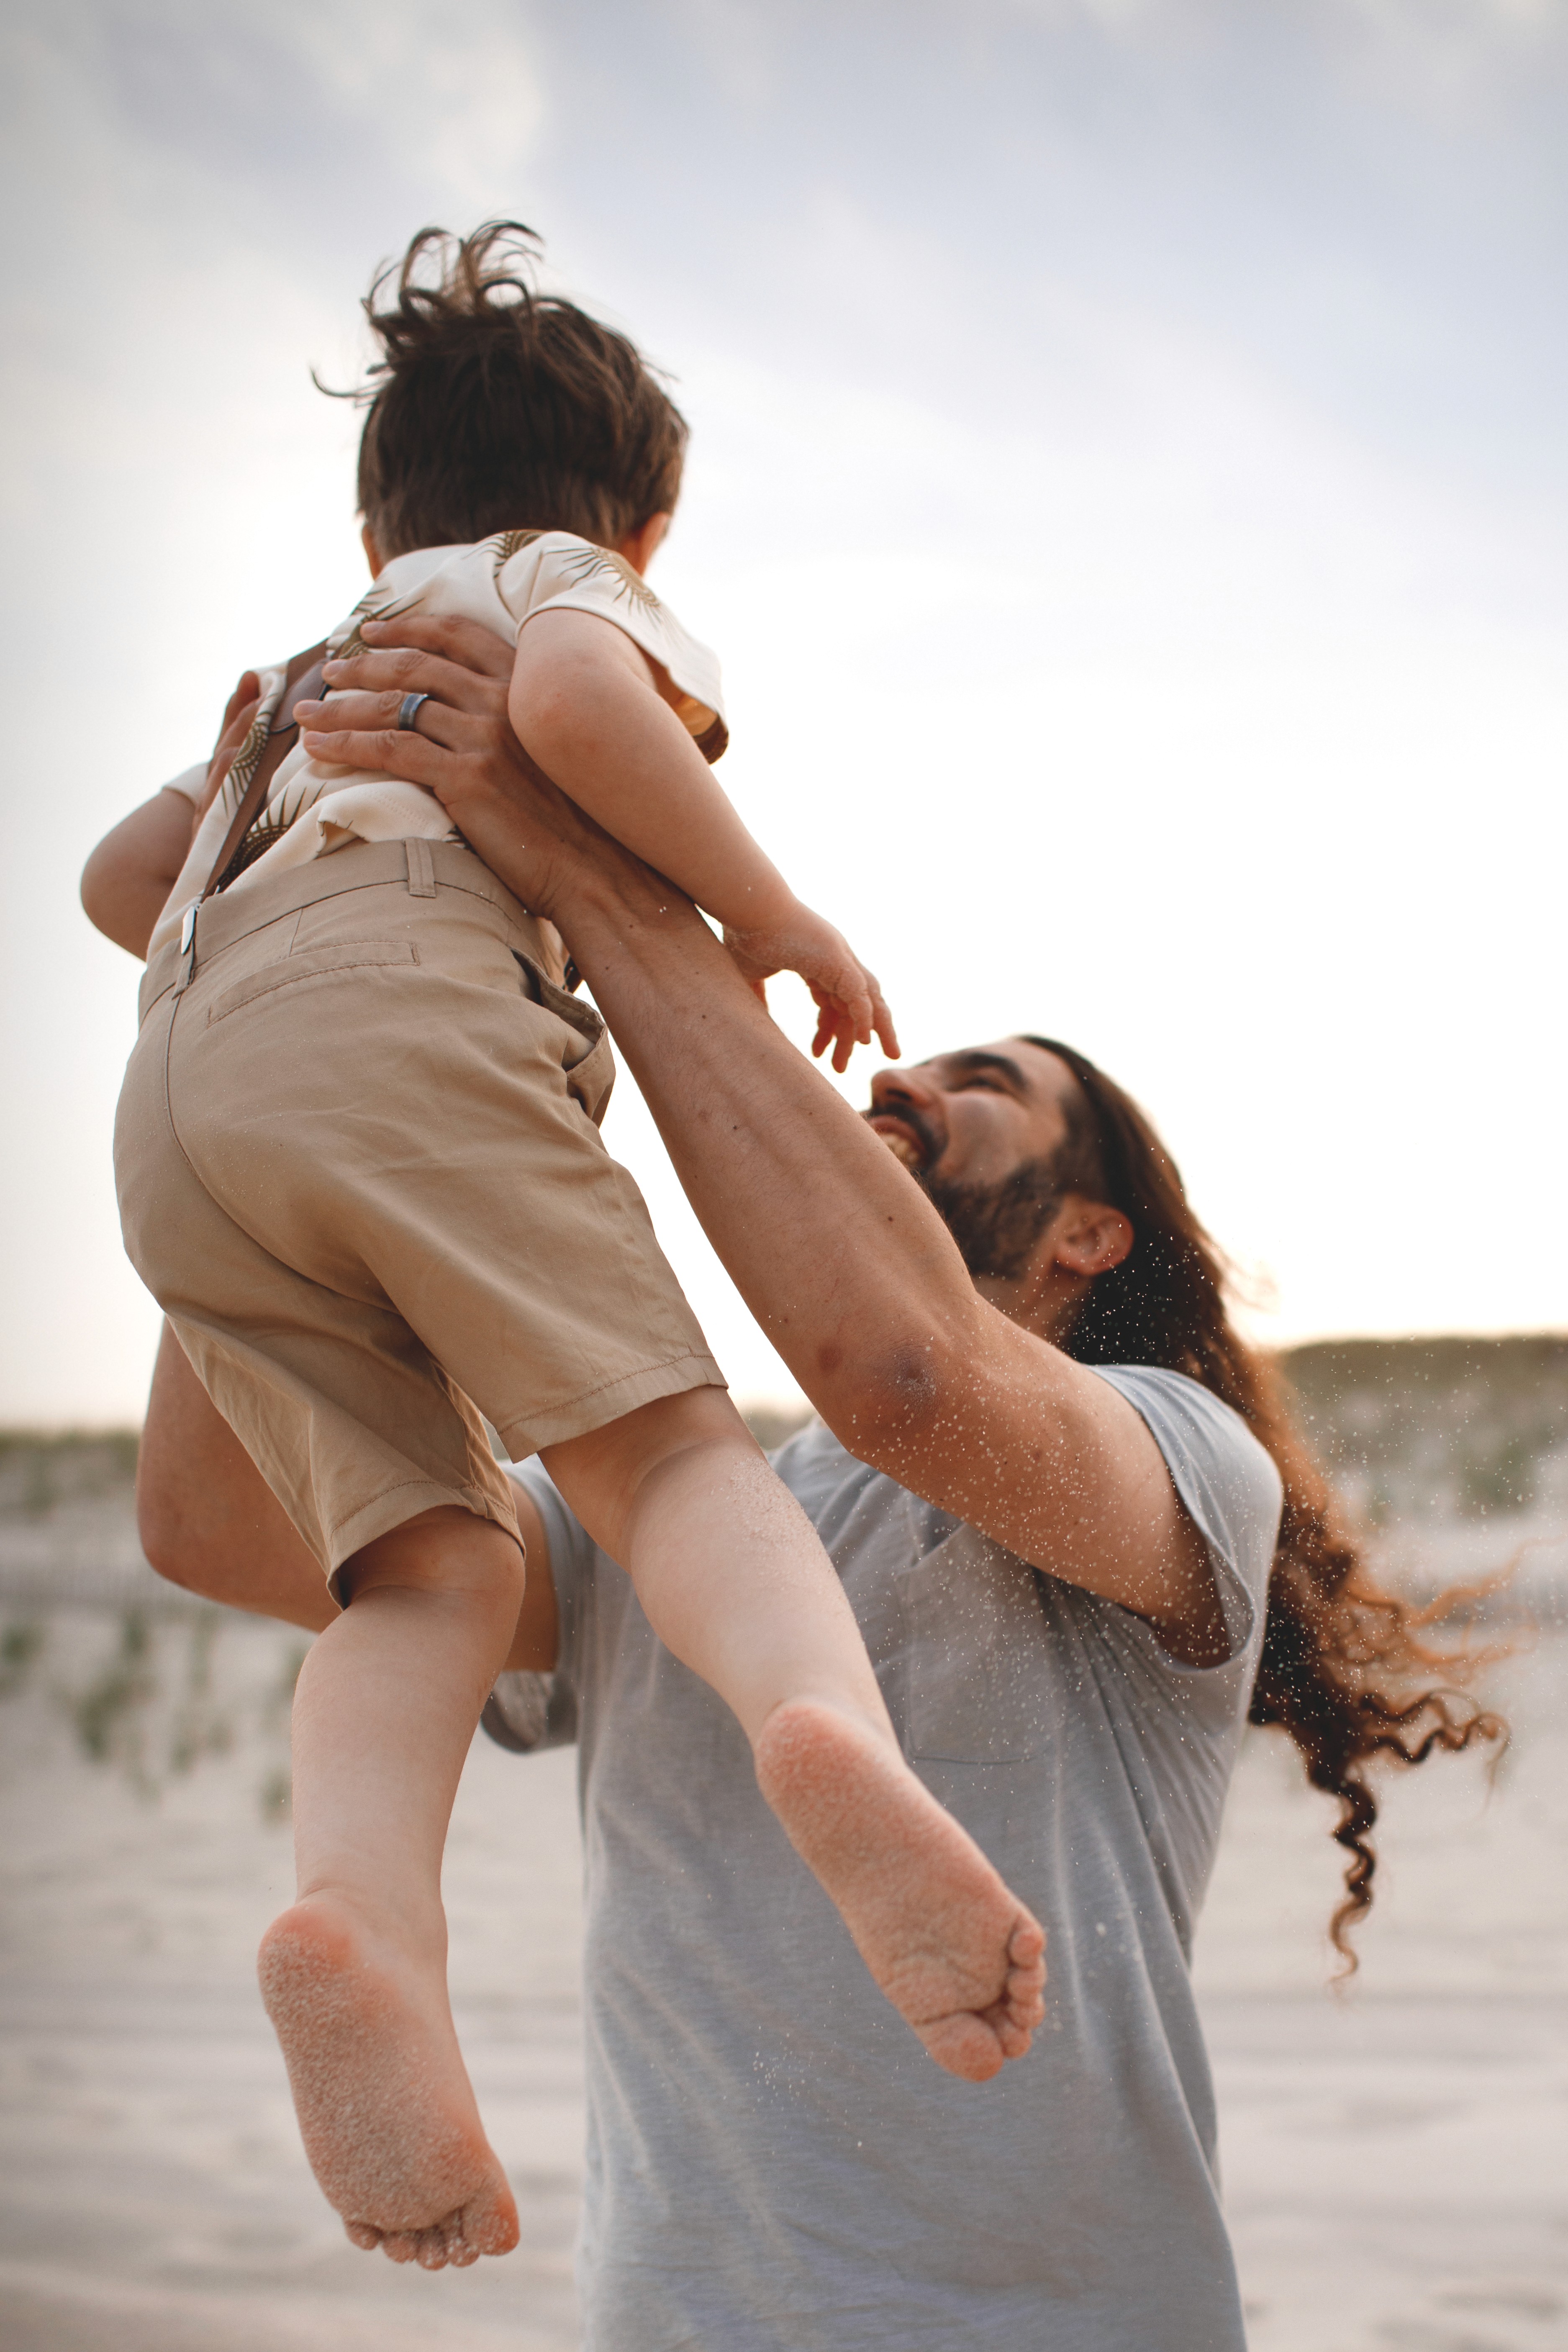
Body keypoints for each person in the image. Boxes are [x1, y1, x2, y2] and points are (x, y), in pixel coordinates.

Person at [96, 619, 1503, 2342]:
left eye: (980, 1083)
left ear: (1087, 1230)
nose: (902, 1075)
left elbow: (905, 1375)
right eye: (914, 1061)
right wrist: (256, 983)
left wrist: (593, 879)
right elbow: (221, 1527)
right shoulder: (684, 1532)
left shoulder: (1176, 1459)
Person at [103, 223, 1047, 2271]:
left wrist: (249, 942)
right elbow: (578, 707)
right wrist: (769, 916)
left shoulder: (312, 662)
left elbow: (114, 880)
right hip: (418, 1031)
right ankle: (825, 1731)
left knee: (418, 1563)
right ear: (639, 513)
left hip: (177, 1110)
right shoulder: (544, 582)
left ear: (375, 508)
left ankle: (355, 1924)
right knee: (672, 1459)